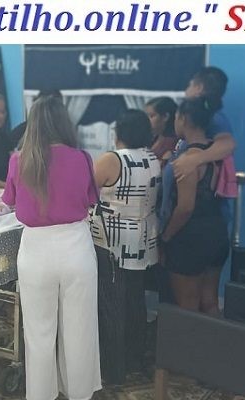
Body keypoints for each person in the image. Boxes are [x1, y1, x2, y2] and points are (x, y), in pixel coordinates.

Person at [2, 96, 102, 400]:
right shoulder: (82, 158)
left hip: (35, 249)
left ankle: (40, 394)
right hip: (76, 246)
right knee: (80, 328)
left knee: (38, 332)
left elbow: (9, 201)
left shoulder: (19, 160)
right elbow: (91, 199)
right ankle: (79, 393)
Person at [90, 109, 161, 384]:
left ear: (118, 132)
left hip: (113, 241)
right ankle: (134, 359)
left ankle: (113, 369)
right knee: (135, 300)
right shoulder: (152, 158)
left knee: (111, 303)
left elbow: (85, 192)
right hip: (142, 239)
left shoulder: (112, 159)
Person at [160, 97, 228, 314]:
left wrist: (166, 237)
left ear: (183, 119)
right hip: (217, 232)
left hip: (192, 238)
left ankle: (188, 340)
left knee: (187, 307)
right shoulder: (215, 152)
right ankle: (220, 337)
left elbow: (185, 207)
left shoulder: (188, 160)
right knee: (210, 303)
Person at [170, 67, 236, 180]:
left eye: (190, 85)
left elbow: (228, 144)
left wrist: (194, 159)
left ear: (199, 88)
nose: (186, 91)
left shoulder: (214, 117)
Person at [145, 96, 179, 163]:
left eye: (151, 116)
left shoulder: (173, 143)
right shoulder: (151, 138)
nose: (146, 120)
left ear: (165, 116)